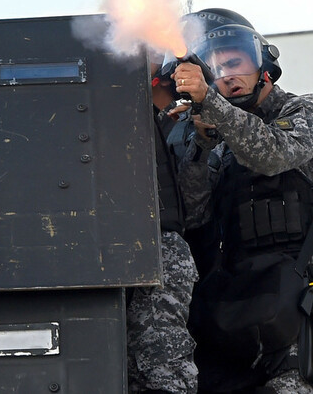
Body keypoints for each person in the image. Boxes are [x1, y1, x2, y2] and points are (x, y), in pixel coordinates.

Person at [172, 23, 313, 393]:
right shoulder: (221, 132)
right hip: (239, 301)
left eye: (236, 63)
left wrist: (212, 105)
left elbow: (273, 154)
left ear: (264, 64)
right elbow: (194, 213)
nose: (229, 77)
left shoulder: (307, 109)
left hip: (301, 297)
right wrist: (200, 146)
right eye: (217, 70)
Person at [125, 59, 200, 394]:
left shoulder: (193, 119)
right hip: (126, 247)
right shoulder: (131, 111)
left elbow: (196, 206)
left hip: (161, 250)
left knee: (163, 368)